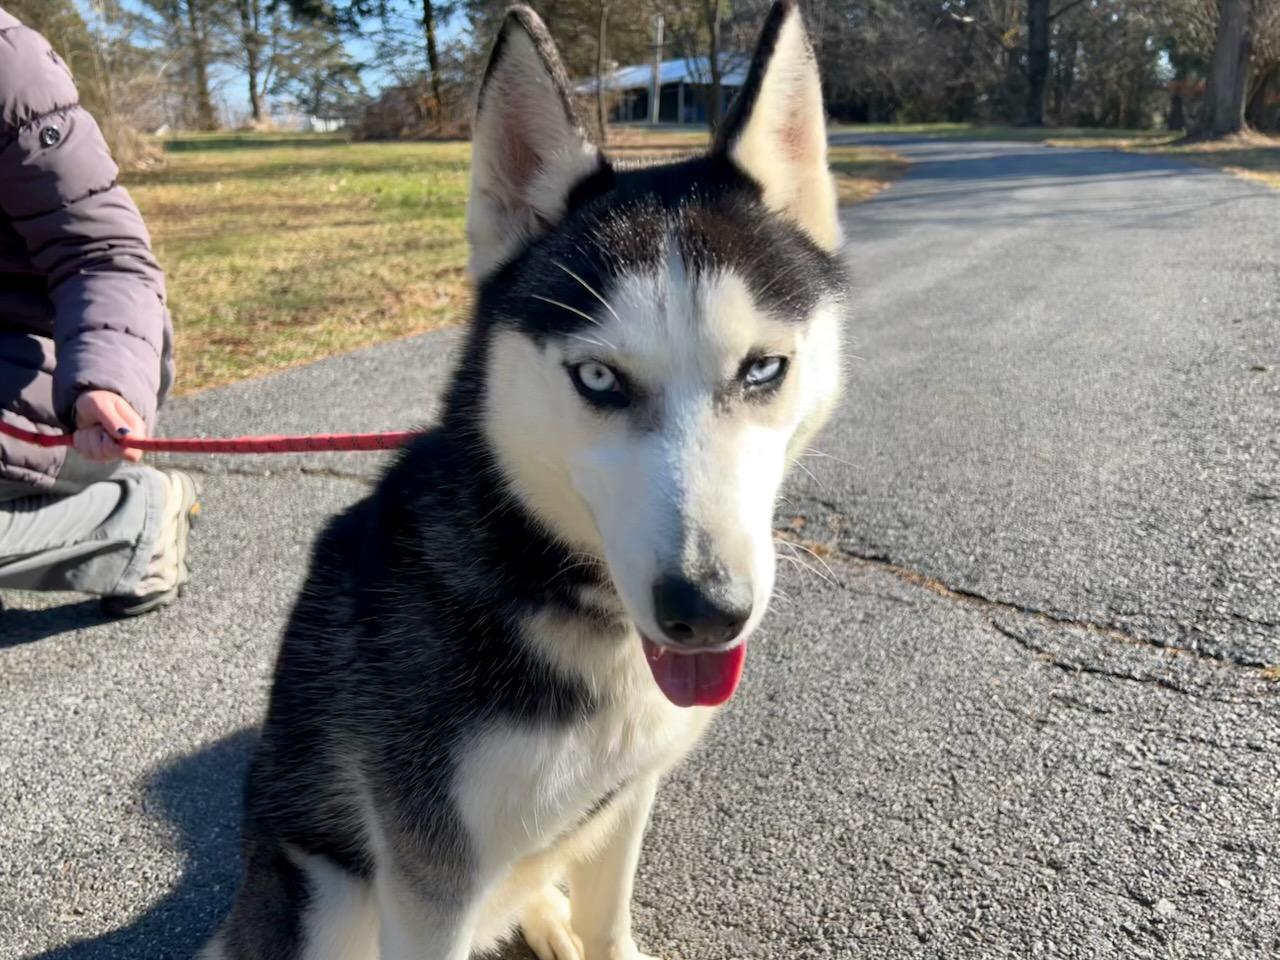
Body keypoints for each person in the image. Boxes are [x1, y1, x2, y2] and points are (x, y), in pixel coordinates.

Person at [0, 8, 198, 618]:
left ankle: (133, 522)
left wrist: (103, 380)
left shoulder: (9, 65)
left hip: (50, 382)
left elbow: (103, 253)